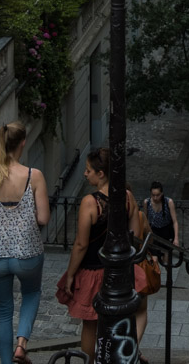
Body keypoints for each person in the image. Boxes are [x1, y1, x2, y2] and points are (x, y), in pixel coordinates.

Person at [0, 121, 50, 364]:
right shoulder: (33, 176)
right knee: (32, 292)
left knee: (3, 312)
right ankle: (22, 343)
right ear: (23, 143)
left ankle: (6, 362)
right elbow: (44, 217)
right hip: (28, 253)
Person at [62, 147, 149, 364]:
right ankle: (123, 354)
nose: (85, 174)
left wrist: (71, 274)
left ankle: (90, 362)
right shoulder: (127, 197)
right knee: (129, 314)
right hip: (121, 271)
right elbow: (136, 237)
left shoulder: (90, 203)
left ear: (101, 174)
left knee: (90, 324)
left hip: (92, 270)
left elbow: (81, 244)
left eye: (89, 170)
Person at [143, 181, 179, 260]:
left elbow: (175, 221)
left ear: (162, 193)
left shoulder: (168, 202)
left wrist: (176, 238)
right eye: (153, 195)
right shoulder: (147, 202)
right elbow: (145, 220)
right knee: (154, 258)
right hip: (154, 232)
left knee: (166, 259)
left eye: (157, 195)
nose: (155, 198)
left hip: (167, 231)